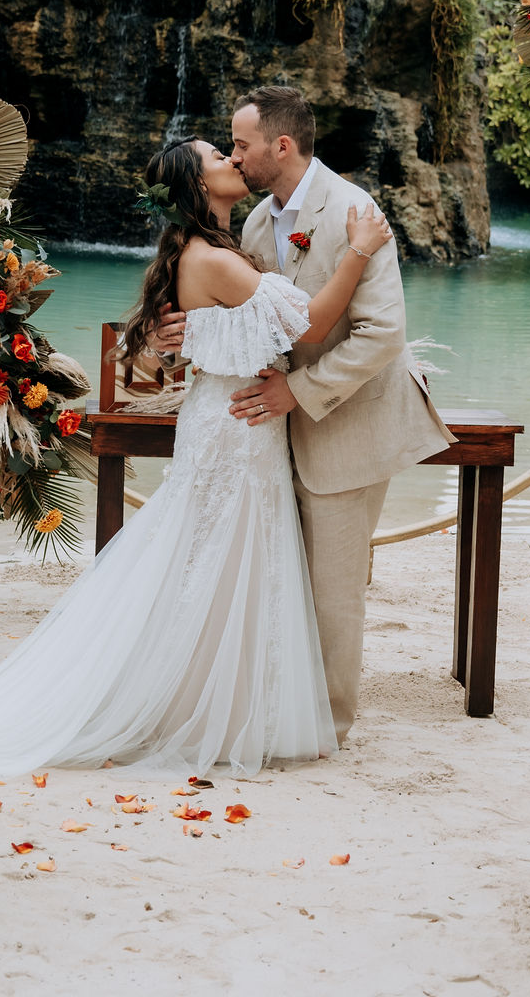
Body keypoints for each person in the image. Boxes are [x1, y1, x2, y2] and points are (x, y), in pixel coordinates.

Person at [0, 137, 392, 781]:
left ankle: (225, 701)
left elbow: (215, 335)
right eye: (217, 157)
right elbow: (305, 324)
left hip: (235, 423)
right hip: (236, 430)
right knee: (218, 555)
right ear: (198, 187)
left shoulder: (220, 250)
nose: (232, 159)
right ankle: (201, 707)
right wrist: (360, 250)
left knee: (220, 558)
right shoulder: (211, 259)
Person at [153, 86, 455, 745]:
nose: (235, 155)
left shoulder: (356, 212)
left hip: (345, 422)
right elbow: (260, 321)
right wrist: (189, 331)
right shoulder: (256, 223)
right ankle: (275, 711)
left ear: (279, 146)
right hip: (263, 427)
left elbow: (381, 336)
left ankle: (330, 727)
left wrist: (300, 392)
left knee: (332, 592)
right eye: (227, 148)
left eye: (240, 145)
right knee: (277, 579)